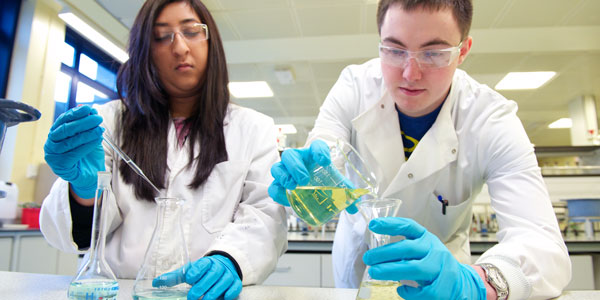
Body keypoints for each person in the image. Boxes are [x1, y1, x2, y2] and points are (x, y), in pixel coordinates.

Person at [269, 0, 571, 299]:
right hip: (359, 273)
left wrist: (478, 285)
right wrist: (310, 172)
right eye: (395, 50)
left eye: (434, 53)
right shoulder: (354, 87)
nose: (410, 73)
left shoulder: (491, 119)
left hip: (446, 285)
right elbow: (327, 146)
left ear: (462, 51)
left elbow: (543, 246)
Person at [41, 1, 287, 299]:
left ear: (211, 42)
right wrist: (84, 191)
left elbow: (265, 217)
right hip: (121, 292)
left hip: (204, 295)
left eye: (191, 31)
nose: (180, 47)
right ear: (146, 52)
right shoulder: (109, 122)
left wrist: (230, 259)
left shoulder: (253, 128)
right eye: (161, 36)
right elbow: (67, 237)